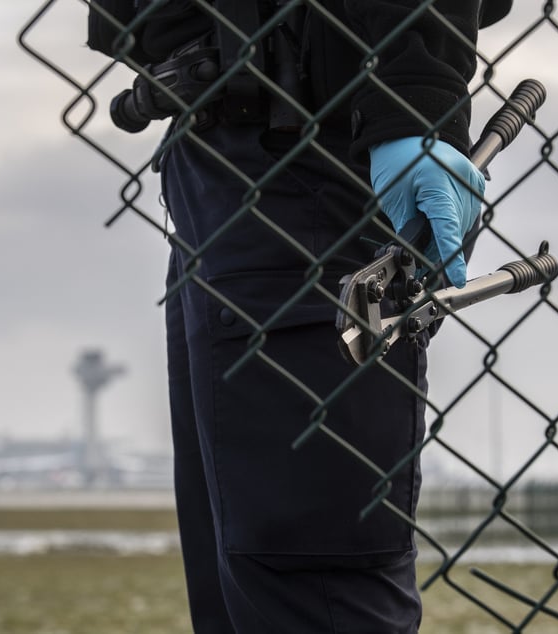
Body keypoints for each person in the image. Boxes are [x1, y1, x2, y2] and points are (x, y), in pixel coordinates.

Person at [88, 1, 512, 631]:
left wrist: (415, 100)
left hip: (313, 148)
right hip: (212, 160)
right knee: (245, 577)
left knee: (311, 584)